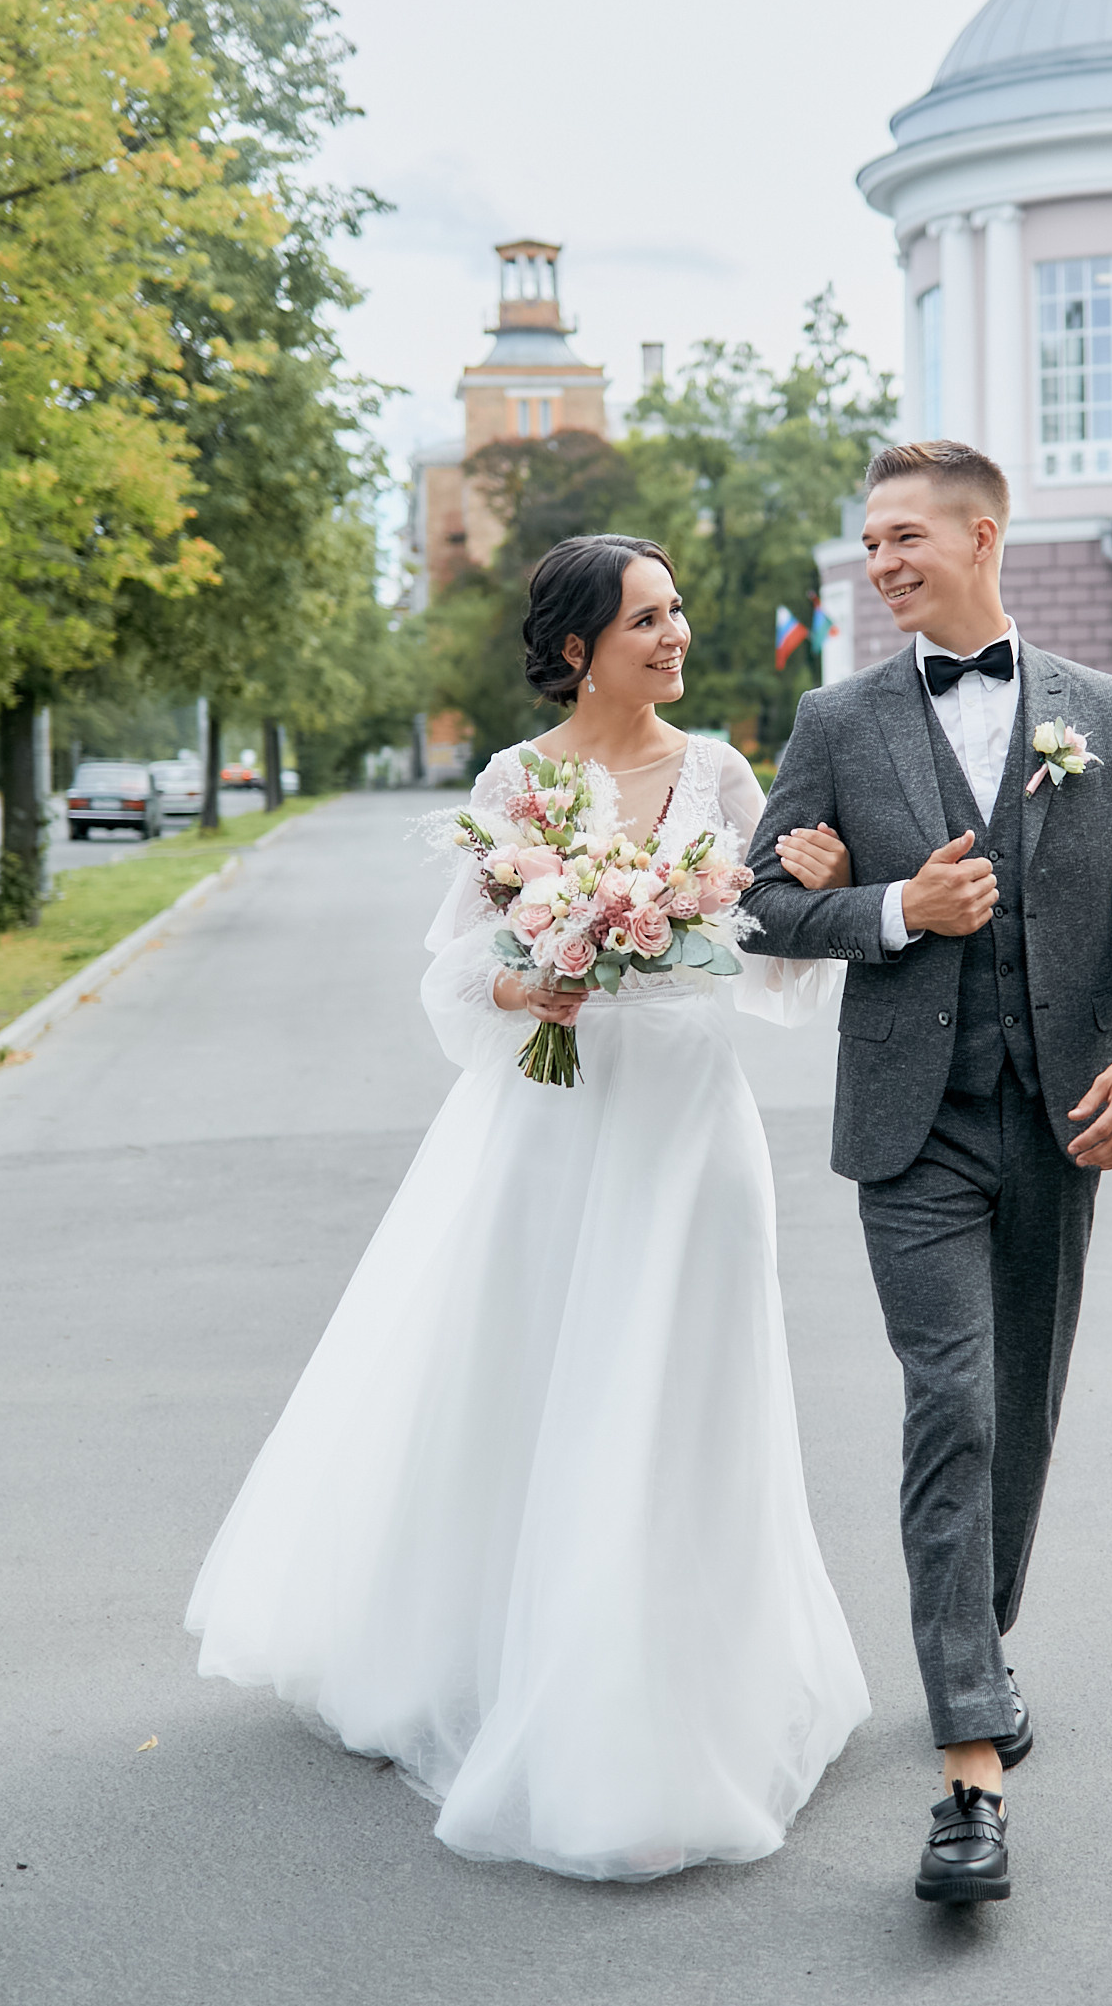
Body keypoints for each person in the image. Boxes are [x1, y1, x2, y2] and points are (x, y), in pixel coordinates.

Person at [186, 535, 868, 1882]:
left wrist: (825, 892)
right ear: (575, 648)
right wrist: (526, 981)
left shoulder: (723, 775)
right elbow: (454, 967)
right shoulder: (517, 782)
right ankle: (513, 1660)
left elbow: (766, 974)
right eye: (645, 618)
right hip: (549, 1127)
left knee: (683, 1386)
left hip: (689, 1125)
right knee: (537, 1378)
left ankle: (677, 1676)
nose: (675, 635)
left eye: (675, 610)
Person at [743, 439, 1112, 1907]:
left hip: (1066, 1119)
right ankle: (968, 1779)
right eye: (870, 541)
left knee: (1023, 1411)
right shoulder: (836, 718)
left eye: (904, 537)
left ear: (982, 537)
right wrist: (893, 908)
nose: (880, 563)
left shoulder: (1099, 712)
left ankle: (973, 1649)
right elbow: (754, 903)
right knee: (953, 1403)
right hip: (912, 1128)